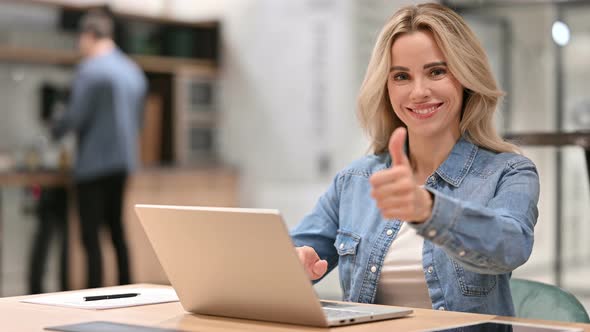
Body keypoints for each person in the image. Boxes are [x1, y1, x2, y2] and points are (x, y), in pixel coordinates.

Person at [291, 2, 539, 316]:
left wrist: (428, 210)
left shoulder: (509, 172)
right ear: (385, 87)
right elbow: (292, 251)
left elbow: (511, 246)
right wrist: (294, 262)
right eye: (401, 76)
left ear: (465, 77)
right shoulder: (355, 181)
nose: (419, 92)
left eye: (436, 71)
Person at [51, 9, 147, 288]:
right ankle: (128, 290)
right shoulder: (133, 70)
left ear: (89, 36)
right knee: (117, 230)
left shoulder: (90, 69)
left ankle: (95, 294)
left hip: (93, 165)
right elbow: (140, 121)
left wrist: (55, 127)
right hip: (124, 162)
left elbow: (75, 116)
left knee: (91, 237)